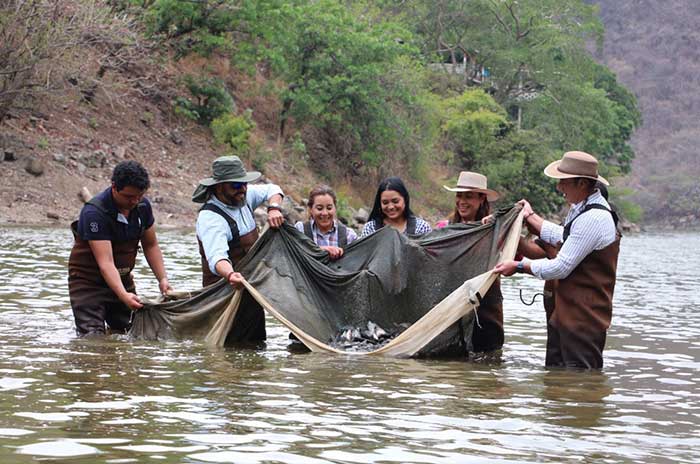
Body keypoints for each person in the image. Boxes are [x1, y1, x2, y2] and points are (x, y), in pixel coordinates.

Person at [494, 151, 620, 369]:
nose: (559, 187)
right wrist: (530, 216)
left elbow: (561, 267)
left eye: (563, 182)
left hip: (583, 320)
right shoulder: (582, 209)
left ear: (581, 184)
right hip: (567, 314)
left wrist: (520, 266)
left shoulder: (594, 218)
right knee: (558, 383)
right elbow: (563, 235)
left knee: (580, 386)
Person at [68, 160, 172, 337]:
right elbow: (106, 263)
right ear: (114, 187)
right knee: (92, 338)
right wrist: (123, 296)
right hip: (88, 284)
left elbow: (150, 245)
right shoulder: (94, 213)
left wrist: (162, 279)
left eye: (139, 196)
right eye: (129, 197)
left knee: (130, 333)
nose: (134, 201)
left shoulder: (142, 206)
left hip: (122, 279)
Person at [436, 171, 504, 354]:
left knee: (488, 362)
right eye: (459, 196)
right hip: (452, 305)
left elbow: (515, 257)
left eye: (469, 196)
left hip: (486, 308)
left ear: (482, 199)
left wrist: (496, 227)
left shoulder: (493, 228)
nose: (462, 201)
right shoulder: (444, 228)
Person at [193, 155, 285, 288]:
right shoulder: (210, 219)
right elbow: (217, 258)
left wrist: (274, 208)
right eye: (236, 184)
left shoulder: (243, 195)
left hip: (251, 284)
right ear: (219, 187)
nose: (243, 189)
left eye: (244, 183)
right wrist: (230, 274)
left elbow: (273, 189)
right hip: (221, 294)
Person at [294, 184, 358, 260]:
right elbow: (293, 252)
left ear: (335, 208)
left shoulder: (349, 236)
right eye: (319, 208)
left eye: (329, 208)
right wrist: (321, 250)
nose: (325, 213)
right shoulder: (300, 230)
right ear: (311, 209)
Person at [359, 176, 432, 238]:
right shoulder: (371, 229)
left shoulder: (421, 228)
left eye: (395, 201)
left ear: (405, 199)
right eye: (385, 202)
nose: (390, 207)